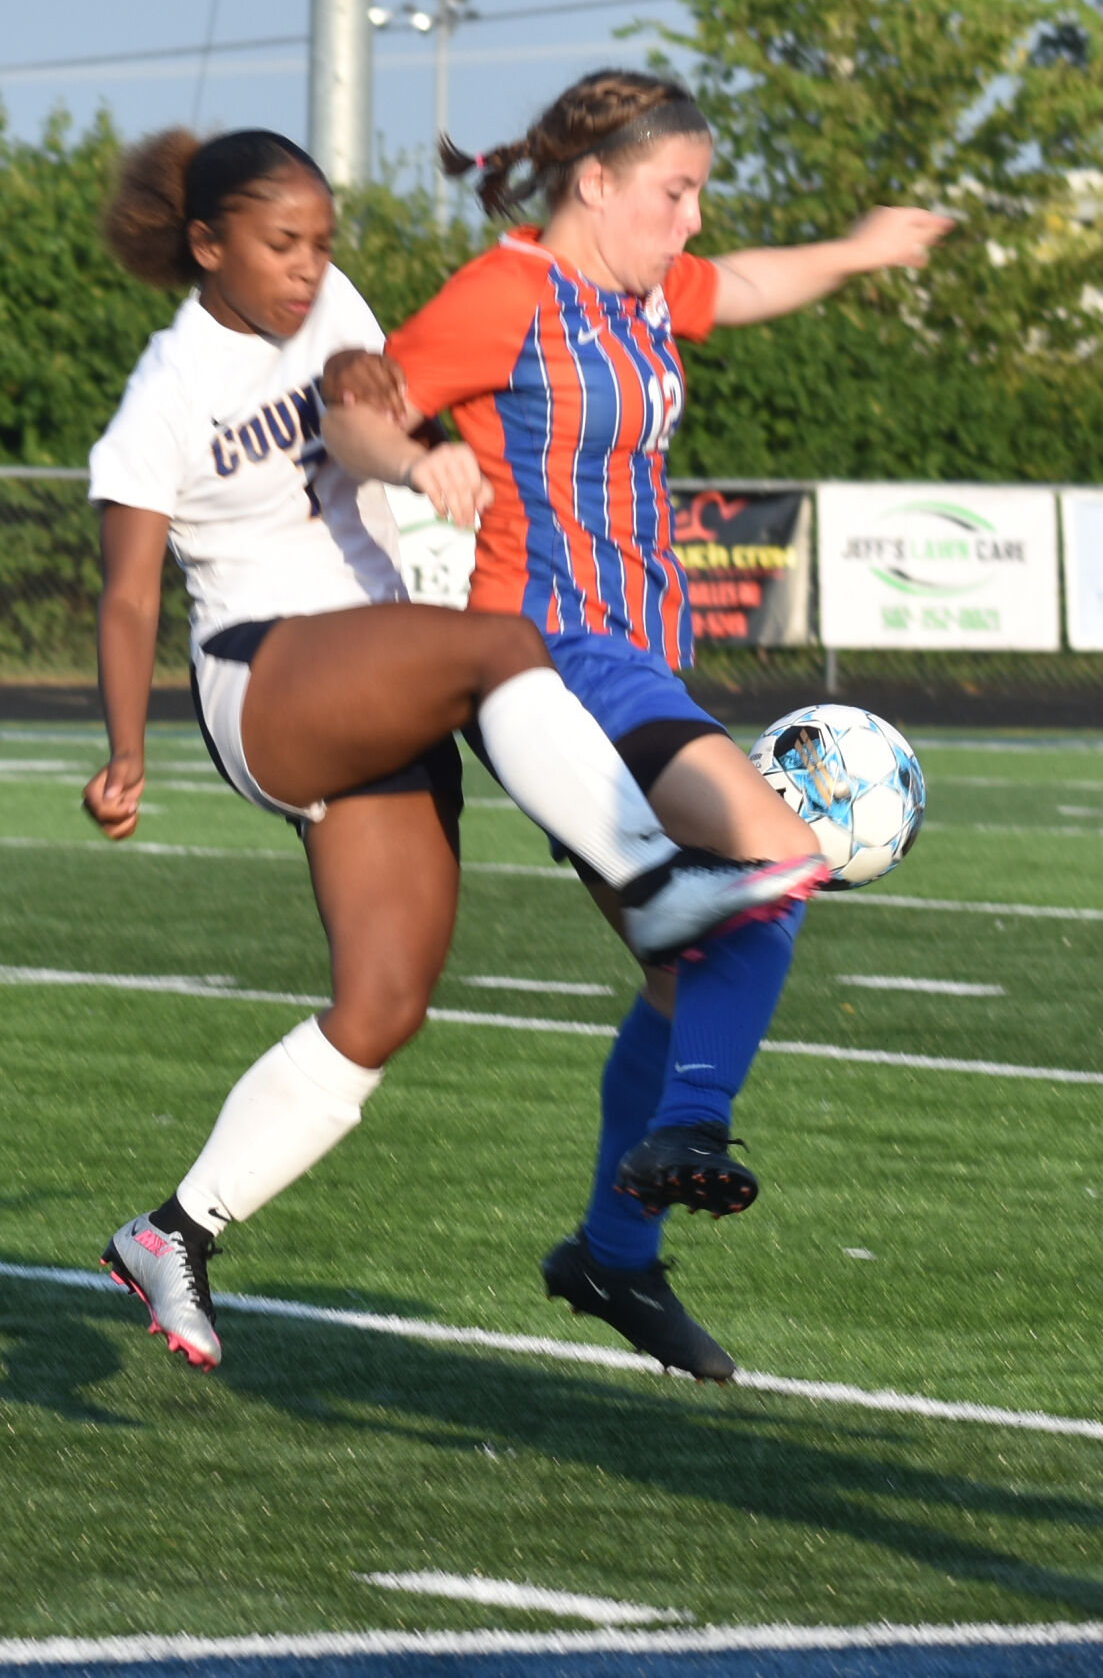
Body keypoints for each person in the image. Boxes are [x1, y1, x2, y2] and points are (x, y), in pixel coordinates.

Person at [85, 124, 824, 1374]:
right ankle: (653, 884)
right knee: (496, 640)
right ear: (206, 245)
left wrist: (410, 443)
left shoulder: (332, 313)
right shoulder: (165, 393)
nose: (310, 268)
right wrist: (123, 754)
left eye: (321, 241)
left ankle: (173, 1231)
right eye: (279, 245)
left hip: (377, 681)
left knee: (381, 1008)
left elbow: (374, 406)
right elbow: (128, 597)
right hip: (265, 674)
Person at [320, 70, 953, 1383]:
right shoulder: (503, 294)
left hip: (632, 661)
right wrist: (412, 458)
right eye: (674, 190)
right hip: (547, 660)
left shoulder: (647, 288)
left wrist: (860, 247)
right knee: (773, 855)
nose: (692, 216)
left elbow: (753, 283)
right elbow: (358, 406)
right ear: (593, 183)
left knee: (691, 966)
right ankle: (691, 1133)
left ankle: (612, 1250)